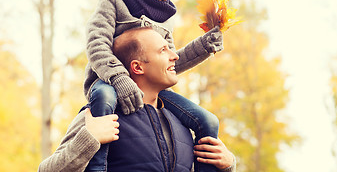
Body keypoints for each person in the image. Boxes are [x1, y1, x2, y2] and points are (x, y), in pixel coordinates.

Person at [84, 0, 223, 172]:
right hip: (108, 79)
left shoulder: (165, 19)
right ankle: (97, 166)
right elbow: (96, 43)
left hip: (150, 87)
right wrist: (119, 78)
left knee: (207, 120)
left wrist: (203, 47)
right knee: (104, 99)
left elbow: (168, 62)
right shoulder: (114, 0)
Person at [38, 27, 236, 172]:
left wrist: (228, 165)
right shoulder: (100, 117)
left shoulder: (183, 123)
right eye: (163, 50)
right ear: (138, 67)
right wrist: (89, 139)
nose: (175, 56)